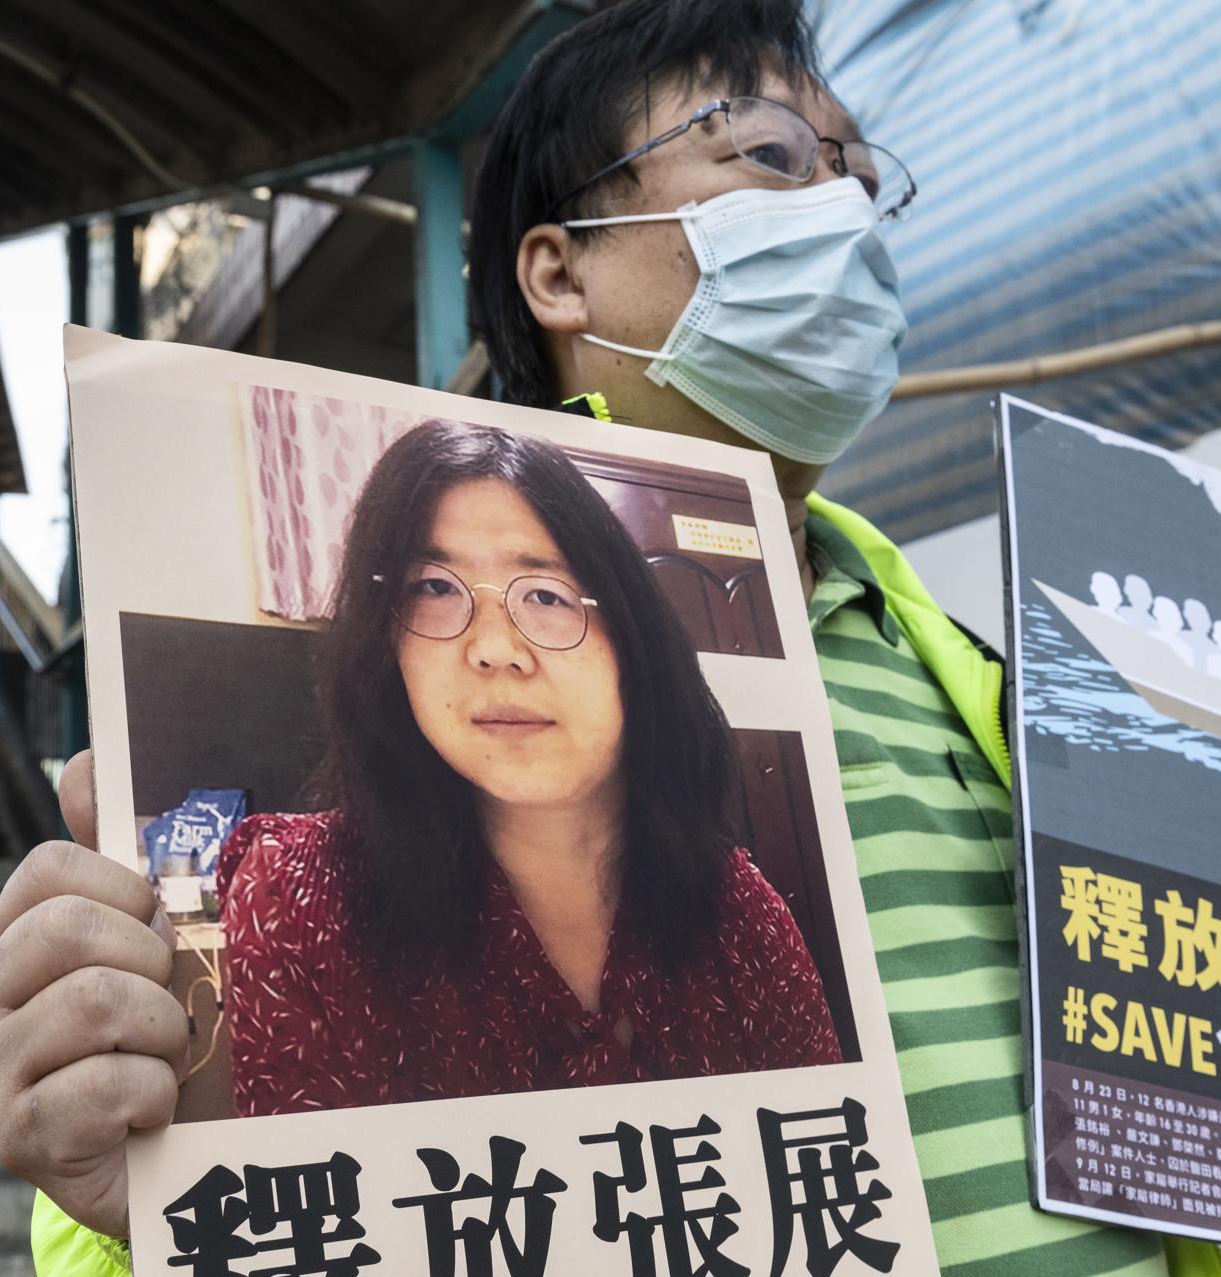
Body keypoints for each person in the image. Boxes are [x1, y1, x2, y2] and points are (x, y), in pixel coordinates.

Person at [0, 3, 1221, 1272]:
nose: (845, 206)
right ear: (558, 268)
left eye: (865, 173)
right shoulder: (281, 884)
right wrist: (106, 1189)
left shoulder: (978, 678)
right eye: (774, 154)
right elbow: (237, 1199)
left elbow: (1189, 1033)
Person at [225, 422, 838, 1117]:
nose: (493, 649)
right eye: (433, 586)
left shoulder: (739, 914)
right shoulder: (301, 894)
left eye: (546, 595)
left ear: (635, 639)